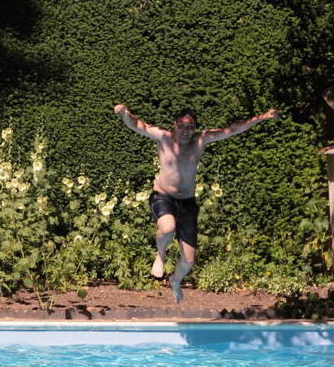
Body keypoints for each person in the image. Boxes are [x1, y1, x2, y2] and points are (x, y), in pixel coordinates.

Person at [113, 104, 279, 303]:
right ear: (174, 125)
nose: (186, 131)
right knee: (167, 227)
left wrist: (261, 117)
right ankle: (161, 255)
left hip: (187, 203)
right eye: (182, 126)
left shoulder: (201, 139)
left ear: (195, 128)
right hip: (163, 196)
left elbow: (232, 129)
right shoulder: (164, 137)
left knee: (189, 260)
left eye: (190, 126)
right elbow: (137, 125)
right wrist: (124, 113)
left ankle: (175, 280)